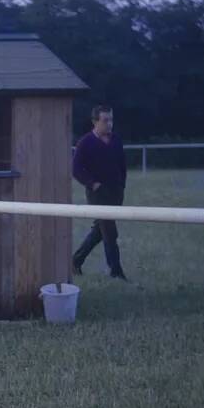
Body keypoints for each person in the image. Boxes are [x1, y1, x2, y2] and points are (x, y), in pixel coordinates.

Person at [71, 105, 128, 281]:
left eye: (111, 119)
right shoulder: (85, 142)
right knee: (110, 232)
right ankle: (116, 272)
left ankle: (74, 261)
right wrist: (92, 184)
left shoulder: (116, 140)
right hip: (97, 194)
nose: (109, 124)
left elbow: (122, 165)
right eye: (105, 120)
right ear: (95, 121)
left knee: (100, 230)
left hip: (116, 192)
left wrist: (121, 186)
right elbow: (76, 168)